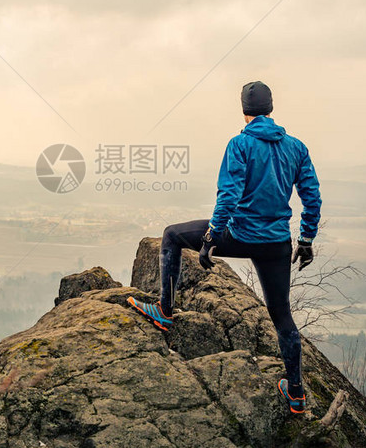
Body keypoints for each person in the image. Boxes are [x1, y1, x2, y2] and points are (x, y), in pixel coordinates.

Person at [128, 80, 322, 414]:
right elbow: (312, 196)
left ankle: (165, 311)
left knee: (172, 235)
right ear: (271, 108)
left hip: (240, 235)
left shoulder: (240, 145)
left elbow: (228, 196)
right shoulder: (296, 148)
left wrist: (212, 236)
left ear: (244, 110)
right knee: (282, 315)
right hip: (276, 242)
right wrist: (305, 239)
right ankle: (296, 392)